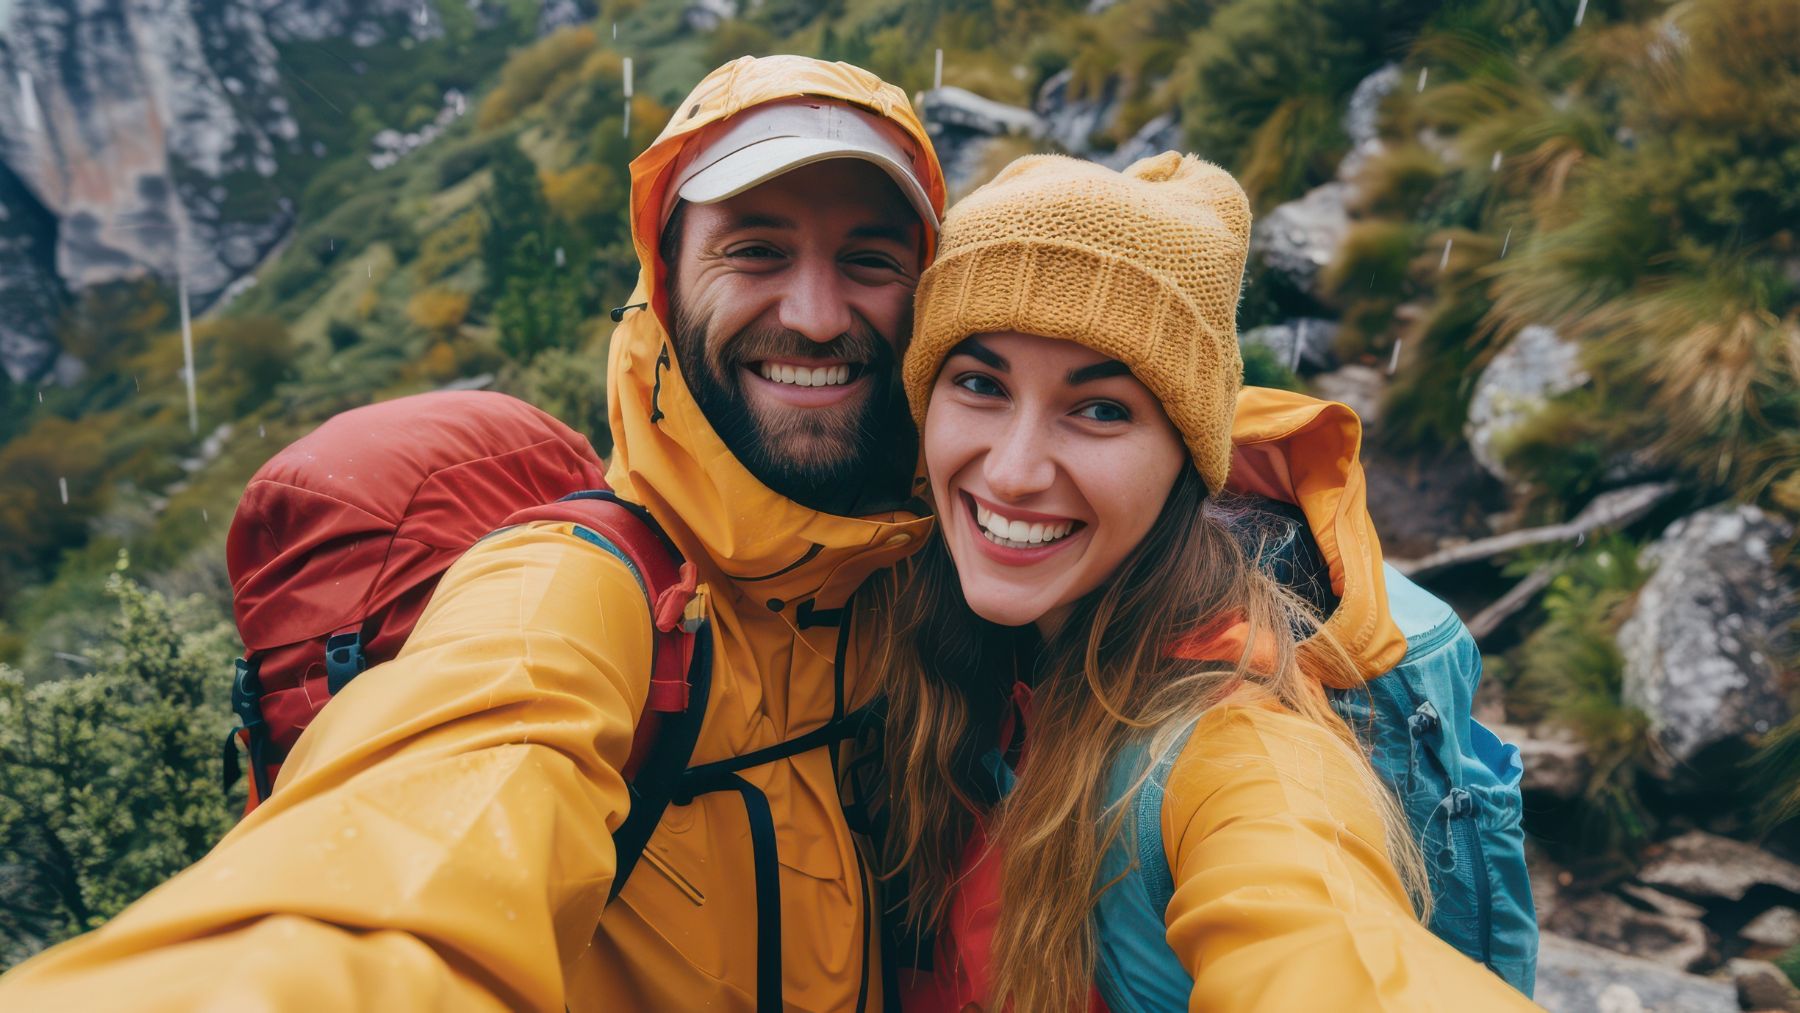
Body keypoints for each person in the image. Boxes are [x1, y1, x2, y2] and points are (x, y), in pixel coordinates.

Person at [0, 55, 945, 1011]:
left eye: (869, 259)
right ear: (663, 287)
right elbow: (403, 867)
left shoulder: (929, 585)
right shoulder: (573, 597)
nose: (819, 317)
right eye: (755, 251)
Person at [877, 152, 1540, 1011]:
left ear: (1188, 462)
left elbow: (1321, 942)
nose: (1010, 472)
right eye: (979, 383)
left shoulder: (1232, 744)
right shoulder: (928, 616)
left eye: (1101, 408)